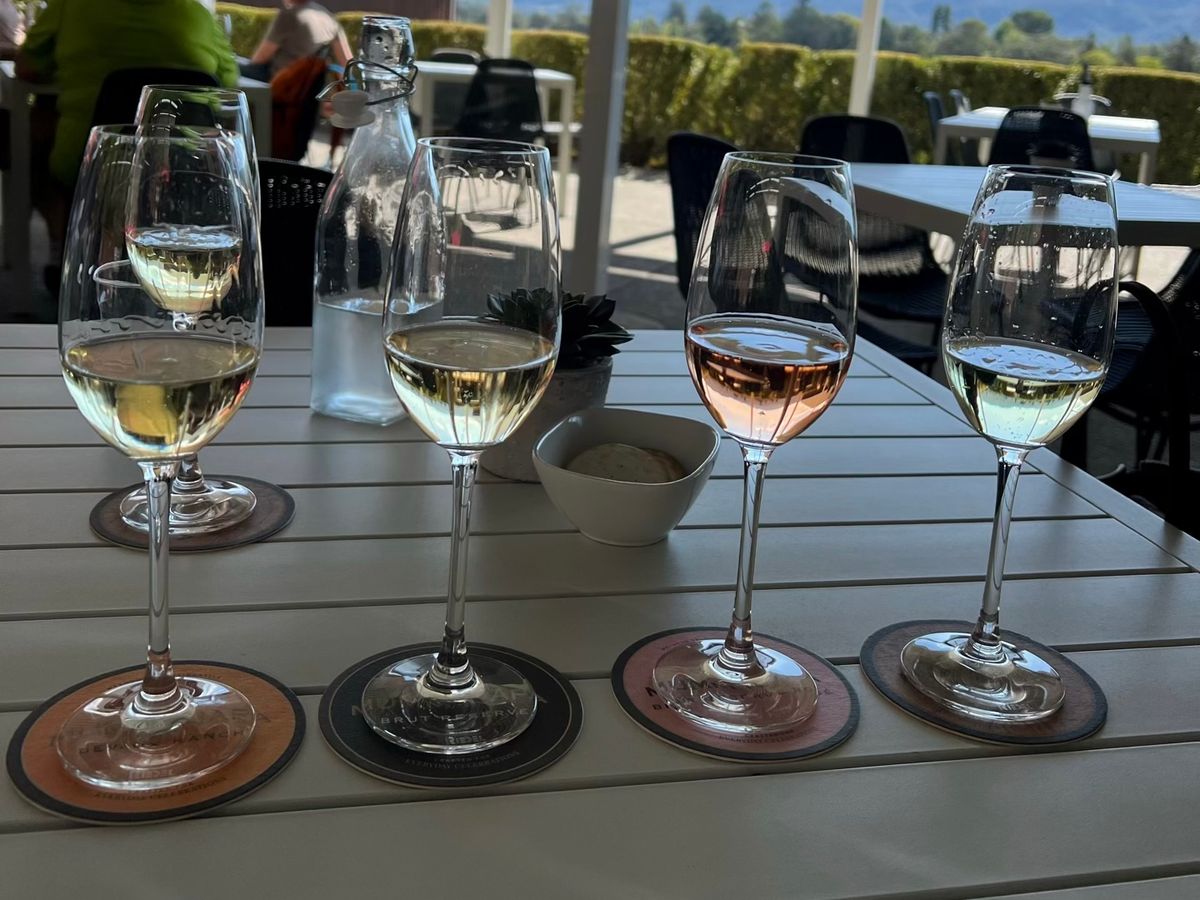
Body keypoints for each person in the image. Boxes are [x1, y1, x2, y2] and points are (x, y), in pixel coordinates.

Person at [243, 1, 351, 82]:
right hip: (311, 87)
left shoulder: (289, 15)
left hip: (280, 82)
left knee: (236, 71)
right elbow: (347, 61)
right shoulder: (327, 16)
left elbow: (260, 58)